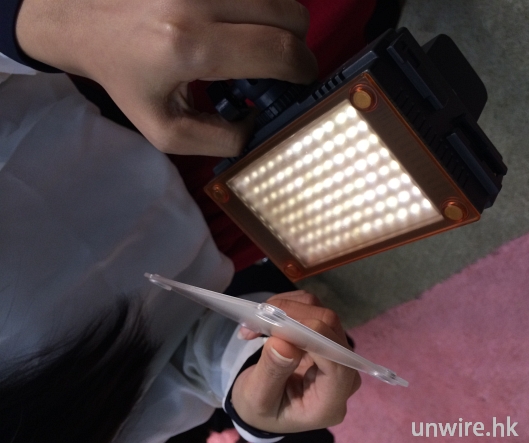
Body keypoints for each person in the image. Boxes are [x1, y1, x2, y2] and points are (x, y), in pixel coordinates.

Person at [1, 0, 402, 441]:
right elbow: (167, 364)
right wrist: (250, 382)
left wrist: (47, 24)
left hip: (96, 54)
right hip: (237, 215)